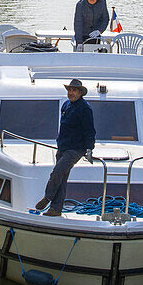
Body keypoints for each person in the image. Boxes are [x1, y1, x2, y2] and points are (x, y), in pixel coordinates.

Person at [35, 79, 96, 216]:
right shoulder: (66, 105)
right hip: (63, 146)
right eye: (69, 90)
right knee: (62, 178)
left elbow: (89, 130)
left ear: (80, 92)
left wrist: (89, 149)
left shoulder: (85, 109)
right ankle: (56, 209)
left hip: (76, 149)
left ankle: (47, 197)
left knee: (57, 171)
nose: (71, 93)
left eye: (74, 90)